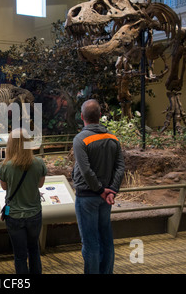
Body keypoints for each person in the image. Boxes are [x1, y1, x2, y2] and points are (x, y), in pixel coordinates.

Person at [72, 99, 125, 274]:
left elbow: (86, 170)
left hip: (87, 197)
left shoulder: (80, 139)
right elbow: (120, 167)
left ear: (82, 117)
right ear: (100, 116)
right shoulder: (113, 138)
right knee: (106, 239)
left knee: (90, 242)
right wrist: (112, 190)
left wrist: (101, 190)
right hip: (106, 197)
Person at [0, 129, 47, 274]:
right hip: (34, 214)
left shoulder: (5, 166)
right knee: (34, 250)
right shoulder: (39, 163)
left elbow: (4, 187)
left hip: (14, 215)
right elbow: (40, 185)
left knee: (19, 255)